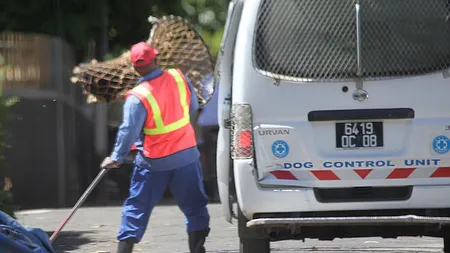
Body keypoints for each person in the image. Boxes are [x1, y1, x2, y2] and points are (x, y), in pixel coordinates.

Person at [100, 42, 210, 253]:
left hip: (153, 162)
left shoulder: (138, 97)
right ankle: (197, 249)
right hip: (186, 155)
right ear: (156, 59)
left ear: (134, 67)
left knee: (137, 207)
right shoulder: (179, 78)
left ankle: (125, 250)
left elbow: (128, 131)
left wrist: (116, 157)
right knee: (195, 205)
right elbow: (193, 107)